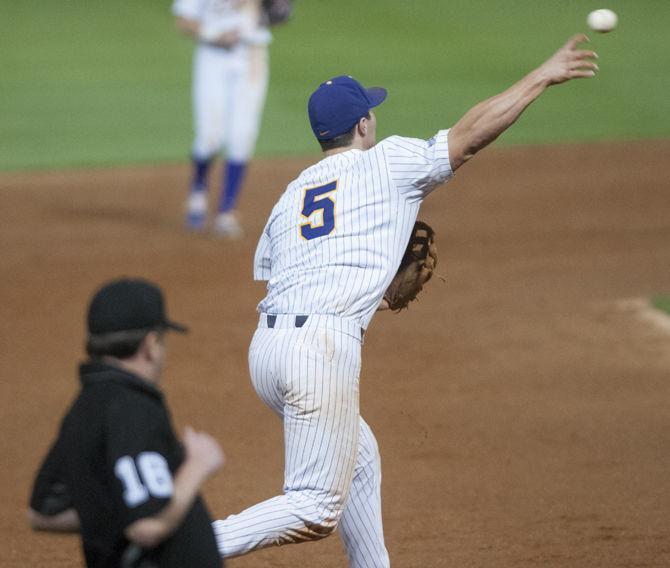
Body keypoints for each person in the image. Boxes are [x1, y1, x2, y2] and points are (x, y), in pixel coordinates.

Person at [211, 35, 598, 566]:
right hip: (317, 353)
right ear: (364, 124)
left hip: (268, 351)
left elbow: (286, 275)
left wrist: (373, 283)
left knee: (359, 458)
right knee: (316, 507)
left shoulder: (293, 194)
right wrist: (541, 76)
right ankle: (188, 545)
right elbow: (468, 138)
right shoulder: (388, 163)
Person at [28, 278, 225, 567]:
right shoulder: (134, 409)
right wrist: (197, 466)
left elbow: (44, 512)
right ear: (151, 345)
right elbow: (147, 525)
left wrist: (115, 513)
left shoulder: (84, 407)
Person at [172, 0, 292, 238]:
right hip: (212, 58)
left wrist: (275, 9)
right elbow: (183, 22)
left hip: (252, 57)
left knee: (242, 137)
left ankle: (226, 210)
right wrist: (213, 33)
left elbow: (280, 14)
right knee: (209, 137)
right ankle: (198, 187)